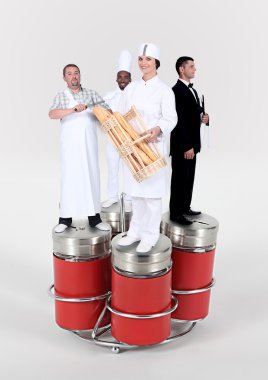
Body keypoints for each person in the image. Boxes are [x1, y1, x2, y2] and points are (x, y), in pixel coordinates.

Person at [117, 43, 177, 253]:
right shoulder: (131, 88)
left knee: (151, 196)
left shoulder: (164, 90)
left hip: (152, 147)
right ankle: (135, 232)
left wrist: (158, 129)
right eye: (141, 59)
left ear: (156, 63)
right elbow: (122, 115)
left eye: (148, 59)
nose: (143, 63)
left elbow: (171, 118)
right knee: (136, 194)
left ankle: (150, 235)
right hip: (133, 148)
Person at [49, 64, 110, 233]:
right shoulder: (61, 96)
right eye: (69, 74)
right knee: (70, 180)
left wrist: (91, 108)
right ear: (64, 78)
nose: (73, 76)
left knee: (91, 177)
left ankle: (95, 218)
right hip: (70, 148)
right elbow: (52, 114)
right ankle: (65, 219)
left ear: (80, 76)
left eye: (76, 73)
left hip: (88, 146)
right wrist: (72, 109)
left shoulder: (91, 94)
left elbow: (108, 112)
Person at [169, 56, 209, 225]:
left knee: (189, 177)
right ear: (181, 69)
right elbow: (179, 121)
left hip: (193, 144)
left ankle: (185, 207)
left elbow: (194, 114)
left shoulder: (192, 90)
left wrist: (204, 117)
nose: (194, 69)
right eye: (191, 66)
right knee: (179, 178)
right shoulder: (176, 90)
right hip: (182, 146)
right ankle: (175, 213)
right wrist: (187, 146)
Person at [102, 50, 132, 210]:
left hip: (129, 140)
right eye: (120, 77)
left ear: (130, 79)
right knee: (112, 169)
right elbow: (100, 114)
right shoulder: (108, 97)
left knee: (128, 170)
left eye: (126, 77)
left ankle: (129, 198)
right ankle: (112, 197)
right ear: (116, 79)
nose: (123, 80)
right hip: (112, 140)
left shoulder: (135, 95)